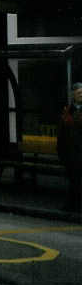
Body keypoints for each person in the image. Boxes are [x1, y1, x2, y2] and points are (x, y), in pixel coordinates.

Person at [58, 82, 82, 212]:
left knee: (76, 180)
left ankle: (73, 205)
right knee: (74, 179)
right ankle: (72, 205)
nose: (81, 95)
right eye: (78, 93)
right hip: (71, 151)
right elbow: (62, 132)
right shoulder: (68, 110)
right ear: (73, 94)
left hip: (79, 150)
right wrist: (61, 151)